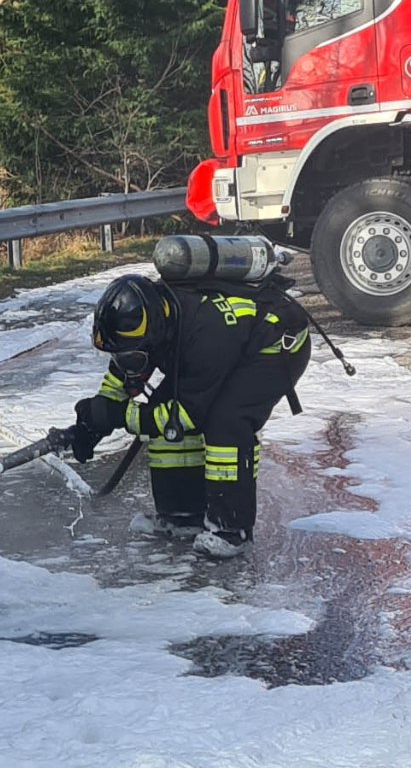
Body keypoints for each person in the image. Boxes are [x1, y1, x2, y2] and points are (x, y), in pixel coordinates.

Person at [63, 238, 312, 557]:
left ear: (154, 332)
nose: (130, 360)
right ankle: (181, 515)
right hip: (229, 348)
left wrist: (120, 417)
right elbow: (124, 374)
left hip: (275, 346)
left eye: (132, 354)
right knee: (161, 411)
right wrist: (92, 423)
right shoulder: (156, 318)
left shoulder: (203, 332)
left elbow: (186, 415)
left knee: (226, 422)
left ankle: (231, 529)